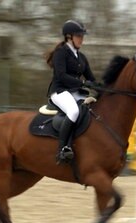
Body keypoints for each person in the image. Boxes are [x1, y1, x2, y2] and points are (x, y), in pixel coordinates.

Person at [45, 20, 98, 164]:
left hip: (75, 93)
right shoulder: (60, 53)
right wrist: (81, 83)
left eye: (82, 36)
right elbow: (61, 75)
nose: (82, 39)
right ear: (69, 37)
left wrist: (103, 87)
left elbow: (91, 78)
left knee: (91, 109)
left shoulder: (81, 57)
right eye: (79, 36)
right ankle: (62, 149)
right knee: (74, 111)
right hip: (60, 91)